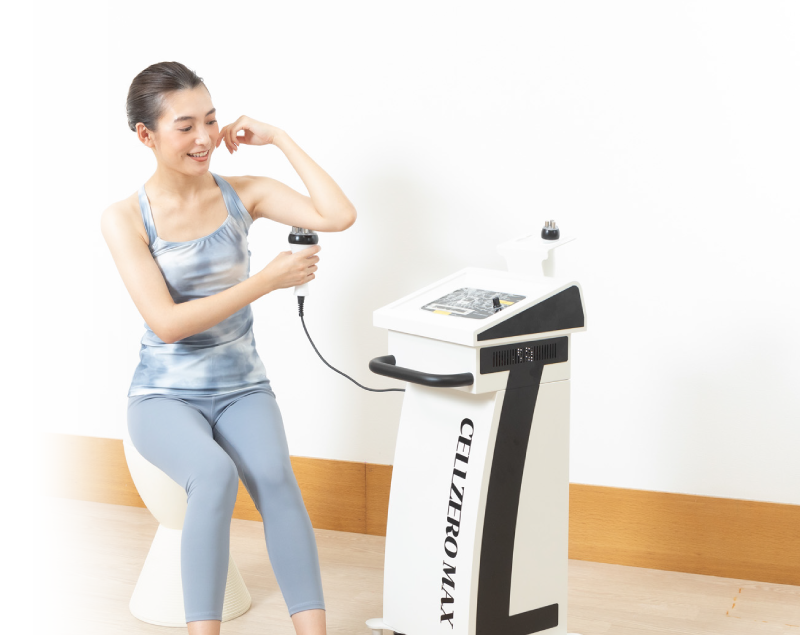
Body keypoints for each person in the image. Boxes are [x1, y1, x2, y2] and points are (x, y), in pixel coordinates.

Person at [101, 61, 356, 635]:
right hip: (164, 395)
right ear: (146, 135)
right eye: (185, 126)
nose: (205, 138)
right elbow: (168, 324)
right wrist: (264, 281)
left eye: (211, 121)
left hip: (243, 387)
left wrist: (279, 138)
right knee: (213, 474)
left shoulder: (244, 193)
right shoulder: (124, 218)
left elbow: (338, 215)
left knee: (276, 478)